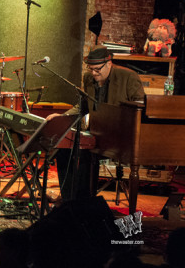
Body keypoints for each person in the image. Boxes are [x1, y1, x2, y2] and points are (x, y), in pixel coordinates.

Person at [48, 45, 145, 200]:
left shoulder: (128, 77)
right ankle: (69, 199)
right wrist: (61, 117)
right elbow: (83, 106)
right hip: (96, 133)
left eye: (97, 69)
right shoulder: (89, 79)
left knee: (87, 154)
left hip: (119, 135)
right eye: (91, 68)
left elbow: (139, 107)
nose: (93, 73)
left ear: (109, 64)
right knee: (64, 147)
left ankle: (83, 199)